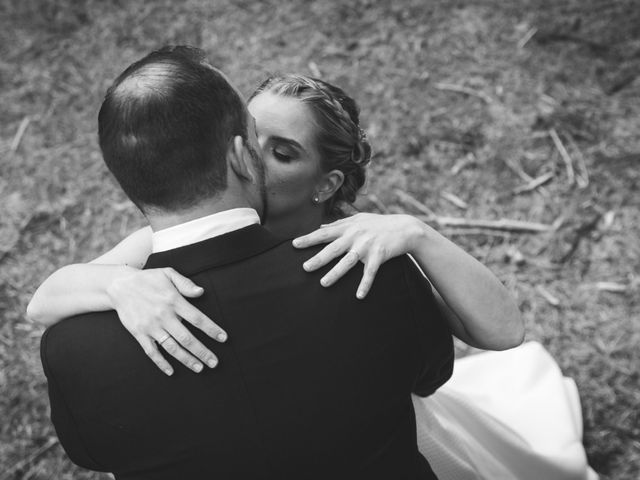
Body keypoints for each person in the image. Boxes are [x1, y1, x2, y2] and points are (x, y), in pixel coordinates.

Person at [30, 52, 597, 479]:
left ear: (325, 185)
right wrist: (119, 284)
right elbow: (43, 301)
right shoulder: (151, 255)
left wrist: (419, 233)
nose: (254, 157)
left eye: (283, 151)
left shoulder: (357, 254)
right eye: (251, 139)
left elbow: (501, 331)